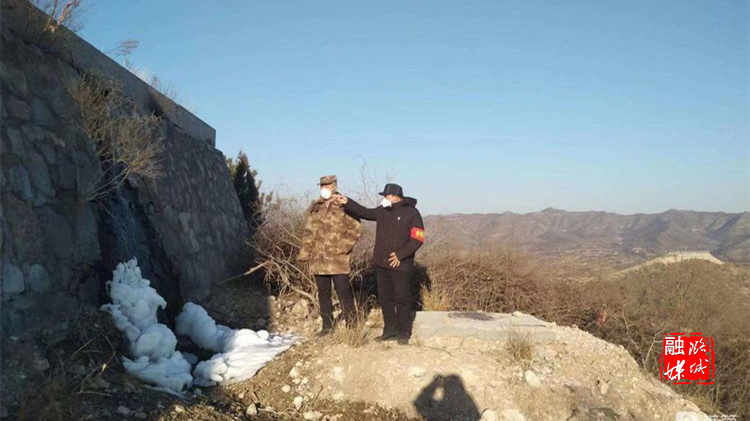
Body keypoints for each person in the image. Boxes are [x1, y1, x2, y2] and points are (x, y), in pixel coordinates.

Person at [335, 183, 425, 345]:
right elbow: (365, 212)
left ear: (395, 197)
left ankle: (404, 333)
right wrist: (347, 202)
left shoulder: (412, 213)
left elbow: (417, 238)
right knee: (385, 298)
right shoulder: (383, 211)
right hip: (381, 264)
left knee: (402, 298)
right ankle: (389, 331)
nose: (383, 198)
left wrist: (400, 255)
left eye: (386, 195)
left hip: (401, 265)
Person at [297, 175, 363, 336]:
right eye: (322, 185)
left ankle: (352, 326)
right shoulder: (316, 207)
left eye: (327, 185)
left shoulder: (344, 205)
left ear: (334, 186)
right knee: (323, 294)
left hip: (338, 259)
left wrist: (343, 247)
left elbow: (356, 228)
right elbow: (309, 231)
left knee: (343, 291)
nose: (324, 188)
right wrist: (304, 253)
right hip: (318, 259)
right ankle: (327, 326)